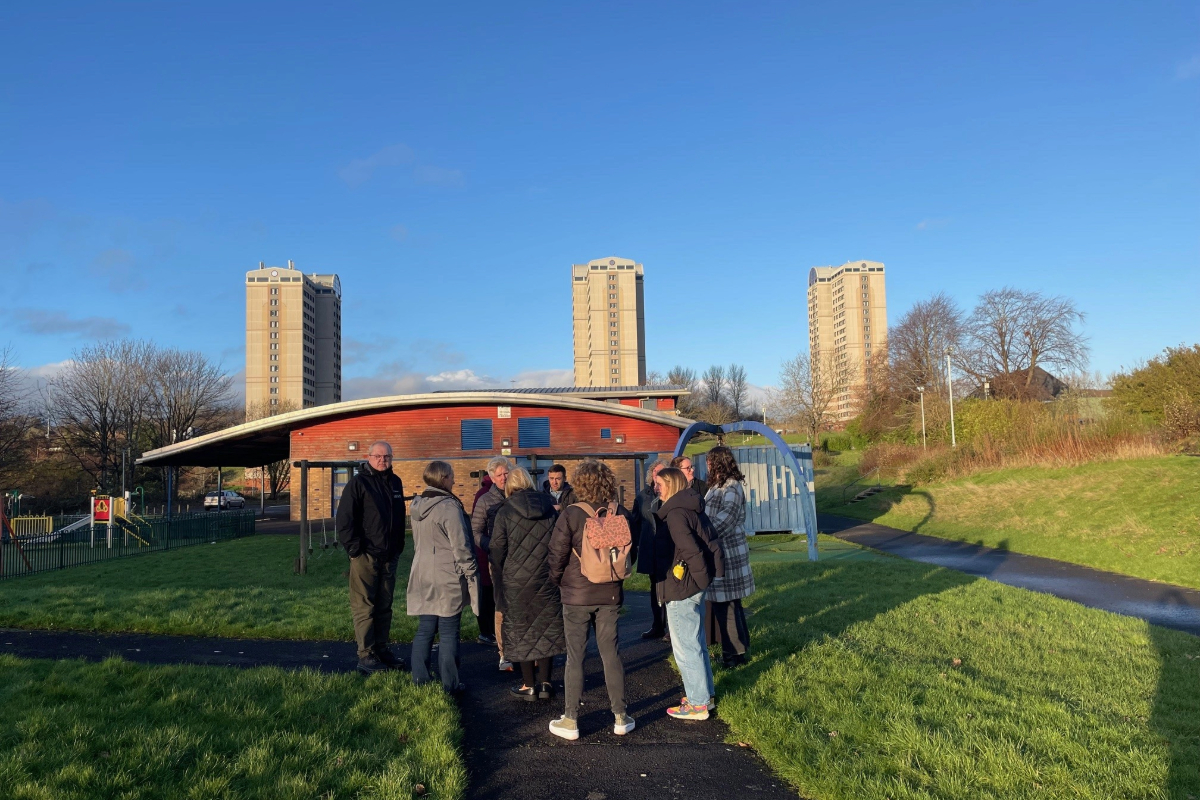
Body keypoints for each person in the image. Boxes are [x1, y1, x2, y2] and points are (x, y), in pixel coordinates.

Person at [547, 459, 638, 740]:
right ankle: (621, 716)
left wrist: (558, 580)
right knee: (610, 653)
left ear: (580, 483)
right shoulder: (619, 512)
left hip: (576, 595)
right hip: (610, 592)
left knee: (575, 656)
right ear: (608, 481)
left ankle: (571, 719)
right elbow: (629, 554)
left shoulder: (572, 514)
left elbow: (556, 554)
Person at [653, 467, 724, 721]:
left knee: (686, 647)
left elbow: (691, 550)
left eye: (659, 484)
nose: (656, 489)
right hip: (692, 585)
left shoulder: (675, 514)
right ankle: (704, 696)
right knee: (697, 643)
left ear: (670, 485)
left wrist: (701, 579)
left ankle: (697, 703)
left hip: (683, 586)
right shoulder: (691, 506)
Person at [490, 467, 565, 701]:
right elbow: (559, 542)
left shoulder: (505, 510)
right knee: (546, 627)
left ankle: (528, 685)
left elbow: (496, 548)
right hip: (546, 576)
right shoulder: (549, 507)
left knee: (520, 630)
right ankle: (545, 683)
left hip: (515, 579)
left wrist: (501, 569)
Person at [336, 440, 408, 675]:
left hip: (389, 555)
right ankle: (366, 655)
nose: (382, 460)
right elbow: (345, 520)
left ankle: (382, 649)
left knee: (385, 606)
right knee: (365, 606)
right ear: (369, 457)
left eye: (386, 456)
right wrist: (355, 550)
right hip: (366, 556)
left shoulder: (395, 483)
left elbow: (399, 517)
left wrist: (398, 545)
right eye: (378, 456)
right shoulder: (358, 484)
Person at [407, 461, 480, 693]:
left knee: (425, 628)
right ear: (443, 478)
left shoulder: (417, 505)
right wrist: (471, 572)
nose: (454, 480)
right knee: (449, 631)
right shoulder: (449, 507)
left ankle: (420, 680)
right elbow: (461, 546)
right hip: (447, 575)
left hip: (422, 572)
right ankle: (450, 684)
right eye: (451, 476)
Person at [703, 446, 754, 669]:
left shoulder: (731, 487)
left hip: (729, 554)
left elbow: (726, 520)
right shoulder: (718, 486)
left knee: (727, 606)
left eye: (710, 462)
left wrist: (701, 532)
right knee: (730, 604)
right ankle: (738, 651)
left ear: (718, 462)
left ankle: (732, 655)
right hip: (723, 552)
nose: (707, 466)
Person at [471, 456, 512, 670]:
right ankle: (504, 651)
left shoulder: (517, 494)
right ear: (492, 477)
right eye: (500, 475)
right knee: (500, 605)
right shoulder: (485, 500)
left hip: (519, 559)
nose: (504, 477)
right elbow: (475, 531)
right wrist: (492, 546)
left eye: (506, 473)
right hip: (496, 559)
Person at [632, 458, 670, 640]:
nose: (658, 476)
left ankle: (671, 628)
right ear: (651, 475)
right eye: (656, 473)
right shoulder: (641, 497)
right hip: (650, 549)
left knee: (669, 588)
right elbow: (636, 523)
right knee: (654, 589)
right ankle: (657, 626)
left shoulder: (671, 495)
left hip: (668, 549)